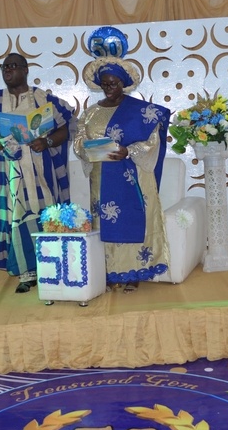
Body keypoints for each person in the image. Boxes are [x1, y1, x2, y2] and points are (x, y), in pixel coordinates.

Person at [0, 53, 76, 294]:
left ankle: (51, 269)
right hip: (7, 174)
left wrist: (47, 142)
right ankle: (26, 272)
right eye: (4, 67)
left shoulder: (42, 99)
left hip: (41, 172)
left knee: (46, 213)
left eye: (13, 66)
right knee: (14, 217)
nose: (8, 70)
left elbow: (66, 126)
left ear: (26, 69)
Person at [73, 55, 171, 292]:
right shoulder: (90, 113)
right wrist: (89, 150)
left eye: (113, 83)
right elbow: (79, 141)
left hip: (133, 175)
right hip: (102, 176)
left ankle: (134, 272)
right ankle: (109, 272)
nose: (109, 88)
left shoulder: (140, 111)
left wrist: (129, 151)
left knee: (133, 218)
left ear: (123, 83)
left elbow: (152, 142)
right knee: (104, 222)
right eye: (104, 84)